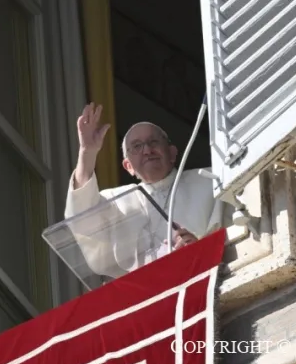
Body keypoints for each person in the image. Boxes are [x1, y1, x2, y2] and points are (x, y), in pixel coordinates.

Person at [64, 102, 224, 279]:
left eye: (154, 142)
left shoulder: (209, 180)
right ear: (128, 166)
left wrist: (201, 248)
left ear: (172, 153)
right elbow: (81, 217)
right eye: (137, 146)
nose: (147, 150)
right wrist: (87, 152)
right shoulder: (115, 200)